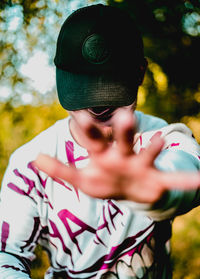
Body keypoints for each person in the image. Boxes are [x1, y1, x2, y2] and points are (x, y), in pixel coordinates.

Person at [0, 4, 200, 279]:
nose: (99, 107)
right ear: (59, 76)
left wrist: (156, 189)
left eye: (111, 87)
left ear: (140, 72)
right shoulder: (31, 165)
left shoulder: (161, 140)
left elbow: (188, 167)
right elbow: (7, 254)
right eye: (84, 89)